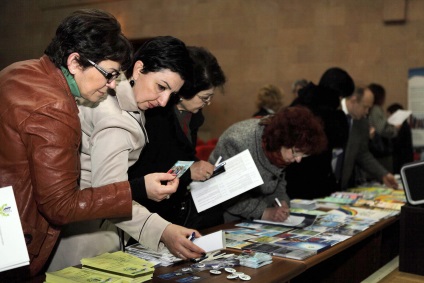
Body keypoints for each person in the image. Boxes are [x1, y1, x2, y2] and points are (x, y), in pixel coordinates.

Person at [47, 37, 206, 271]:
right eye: (161, 87)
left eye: (171, 94)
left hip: (92, 226)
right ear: (139, 68)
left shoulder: (117, 92)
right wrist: (163, 230)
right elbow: (109, 196)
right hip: (87, 236)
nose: (163, 102)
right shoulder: (115, 118)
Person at [0, 9, 134, 279]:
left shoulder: (20, 70)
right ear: (75, 62)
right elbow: (60, 207)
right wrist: (136, 190)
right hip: (13, 238)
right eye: (109, 74)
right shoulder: (56, 107)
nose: (110, 85)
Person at [128, 46, 226, 230]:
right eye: (204, 98)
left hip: (177, 207)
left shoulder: (193, 116)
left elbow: (183, 158)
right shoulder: (155, 115)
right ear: (182, 92)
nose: (207, 103)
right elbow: (146, 171)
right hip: (149, 213)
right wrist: (189, 170)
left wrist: (195, 166)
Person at [208, 106, 327, 223]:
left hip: (256, 221)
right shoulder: (238, 142)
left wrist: (281, 202)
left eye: (304, 155)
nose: (298, 160)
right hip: (221, 219)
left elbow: (277, 181)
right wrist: (264, 211)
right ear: (281, 140)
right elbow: (226, 194)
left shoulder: (282, 150)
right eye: (295, 152)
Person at [286, 67, 353, 199]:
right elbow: (339, 139)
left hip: (291, 175)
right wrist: (340, 114)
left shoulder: (301, 100)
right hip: (314, 178)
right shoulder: (329, 110)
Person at [340, 87, 398, 189]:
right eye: (365, 107)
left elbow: (362, 153)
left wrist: (383, 174)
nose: (367, 112)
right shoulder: (330, 111)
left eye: (369, 108)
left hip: (343, 184)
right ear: (353, 101)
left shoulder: (362, 122)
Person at [367, 83, 400, 172]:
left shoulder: (369, 109)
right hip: (380, 151)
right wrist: (395, 129)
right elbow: (381, 129)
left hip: (373, 150)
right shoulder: (376, 109)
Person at [387, 103, 414, 174]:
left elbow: (396, 144)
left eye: (390, 114)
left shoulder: (401, 127)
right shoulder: (404, 125)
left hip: (402, 160)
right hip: (403, 160)